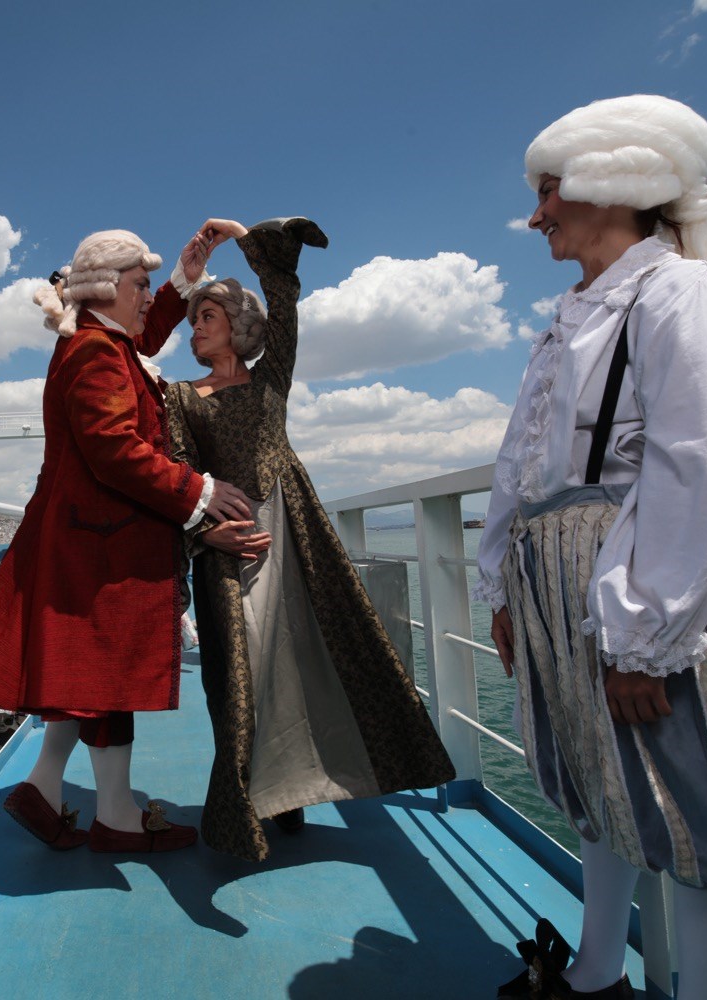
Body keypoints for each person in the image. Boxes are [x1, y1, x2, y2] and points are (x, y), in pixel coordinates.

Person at [475, 96, 707, 1000]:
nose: (536, 215)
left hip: (631, 580)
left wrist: (644, 633)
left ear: (611, 184)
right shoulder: (568, 318)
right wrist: (504, 588)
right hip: (553, 582)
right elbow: (522, 471)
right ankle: (596, 973)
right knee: (603, 781)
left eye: (548, 191)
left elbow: (695, 462)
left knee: (705, 804)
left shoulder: (679, 291)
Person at [165, 217, 456, 862]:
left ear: (238, 324)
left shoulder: (271, 377)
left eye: (208, 316)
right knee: (235, 671)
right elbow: (179, 471)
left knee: (302, 657)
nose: (196, 328)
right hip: (229, 544)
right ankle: (247, 800)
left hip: (294, 534)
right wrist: (208, 535)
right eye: (194, 320)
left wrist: (243, 236)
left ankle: (290, 789)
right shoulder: (178, 397)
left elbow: (284, 299)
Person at [0, 224, 252, 853]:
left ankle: (45, 789)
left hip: (84, 538)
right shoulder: (95, 352)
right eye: (141, 285)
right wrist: (199, 491)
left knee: (89, 677)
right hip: (94, 545)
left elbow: (143, 336)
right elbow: (114, 449)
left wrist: (185, 276)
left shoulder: (102, 341)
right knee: (105, 679)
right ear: (105, 287)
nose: (148, 296)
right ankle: (114, 816)